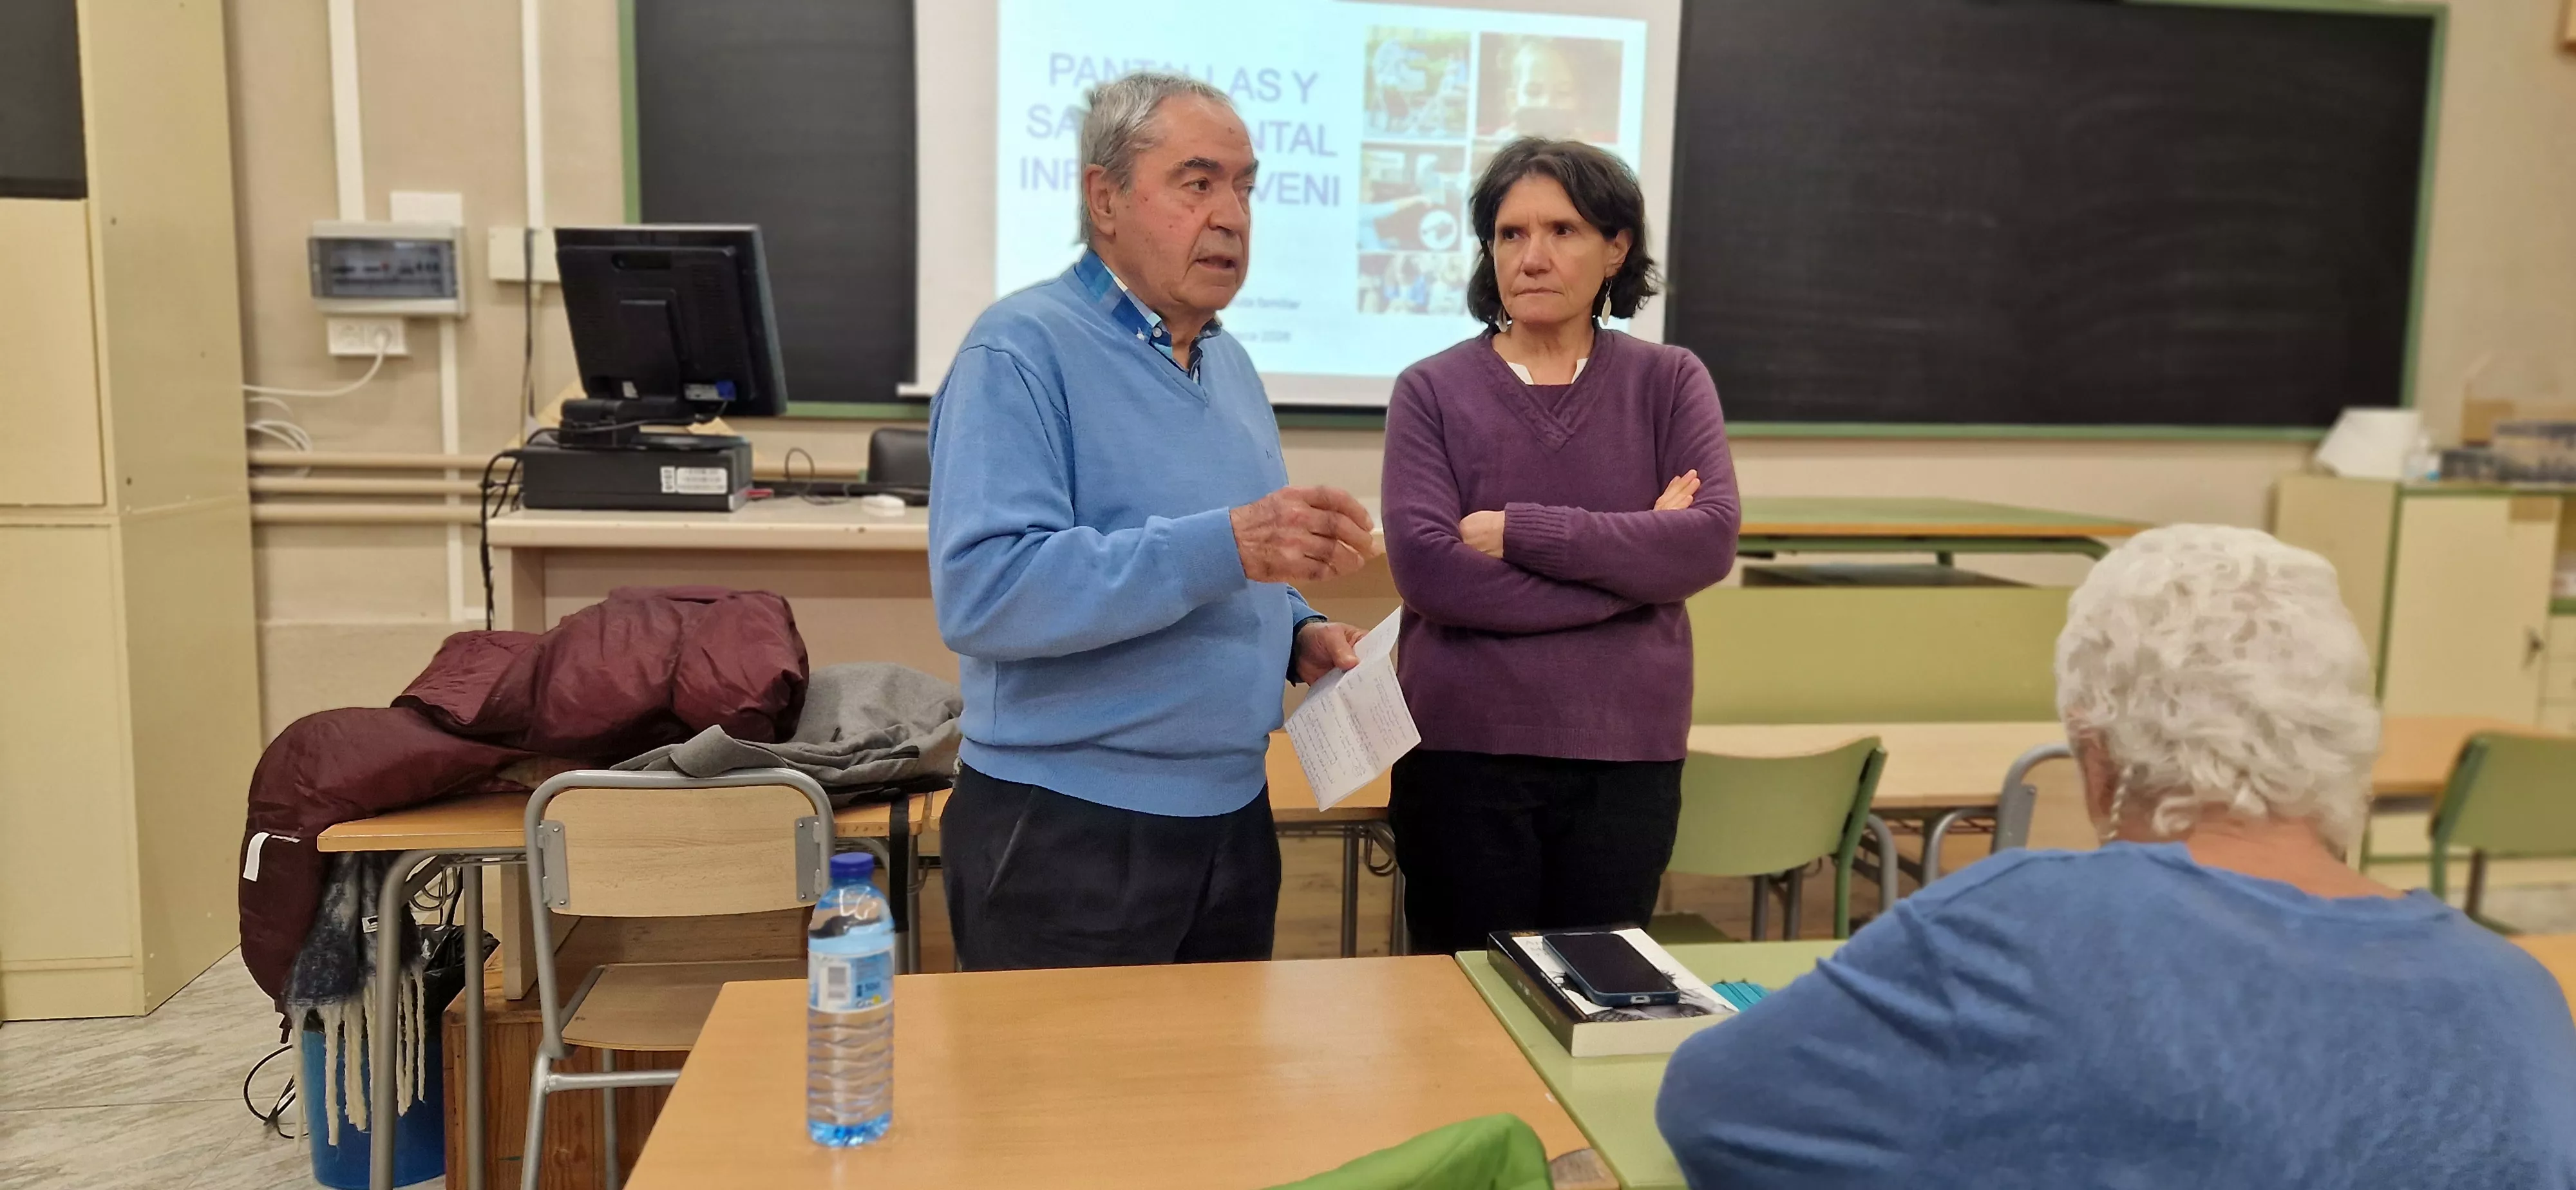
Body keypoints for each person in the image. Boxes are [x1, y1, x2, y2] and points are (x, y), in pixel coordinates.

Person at [1656, 525, 2576, 1189]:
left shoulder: (2017, 928)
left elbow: (1714, 1109)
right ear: (2345, 742)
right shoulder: (2520, 1000)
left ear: (2098, 762)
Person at [927, 71, 1376, 970]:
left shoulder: (1231, 363)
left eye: (1246, 187)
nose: (1234, 215)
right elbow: (986, 594)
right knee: (1069, 1113)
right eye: (1198, 182)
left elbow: (1227, 567)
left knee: (1214, 1108)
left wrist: (1299, 633)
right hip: (1070, 832)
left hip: (1233, 822)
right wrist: (1229, 544)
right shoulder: (1016, 351)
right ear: (1105, 198)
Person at [1379, 138, 1739, 958]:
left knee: (1598, 1001)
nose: (1532, 256)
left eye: (1562, 231)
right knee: (1460, 1009)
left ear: (1615, 247)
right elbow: (1433, 576)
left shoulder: (1671, 381)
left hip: (1625, 761)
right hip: (1463, 756)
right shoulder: (1431, 391)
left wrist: (1517, 532)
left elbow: (1707, 541)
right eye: (1510, 234)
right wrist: (1636, 570)